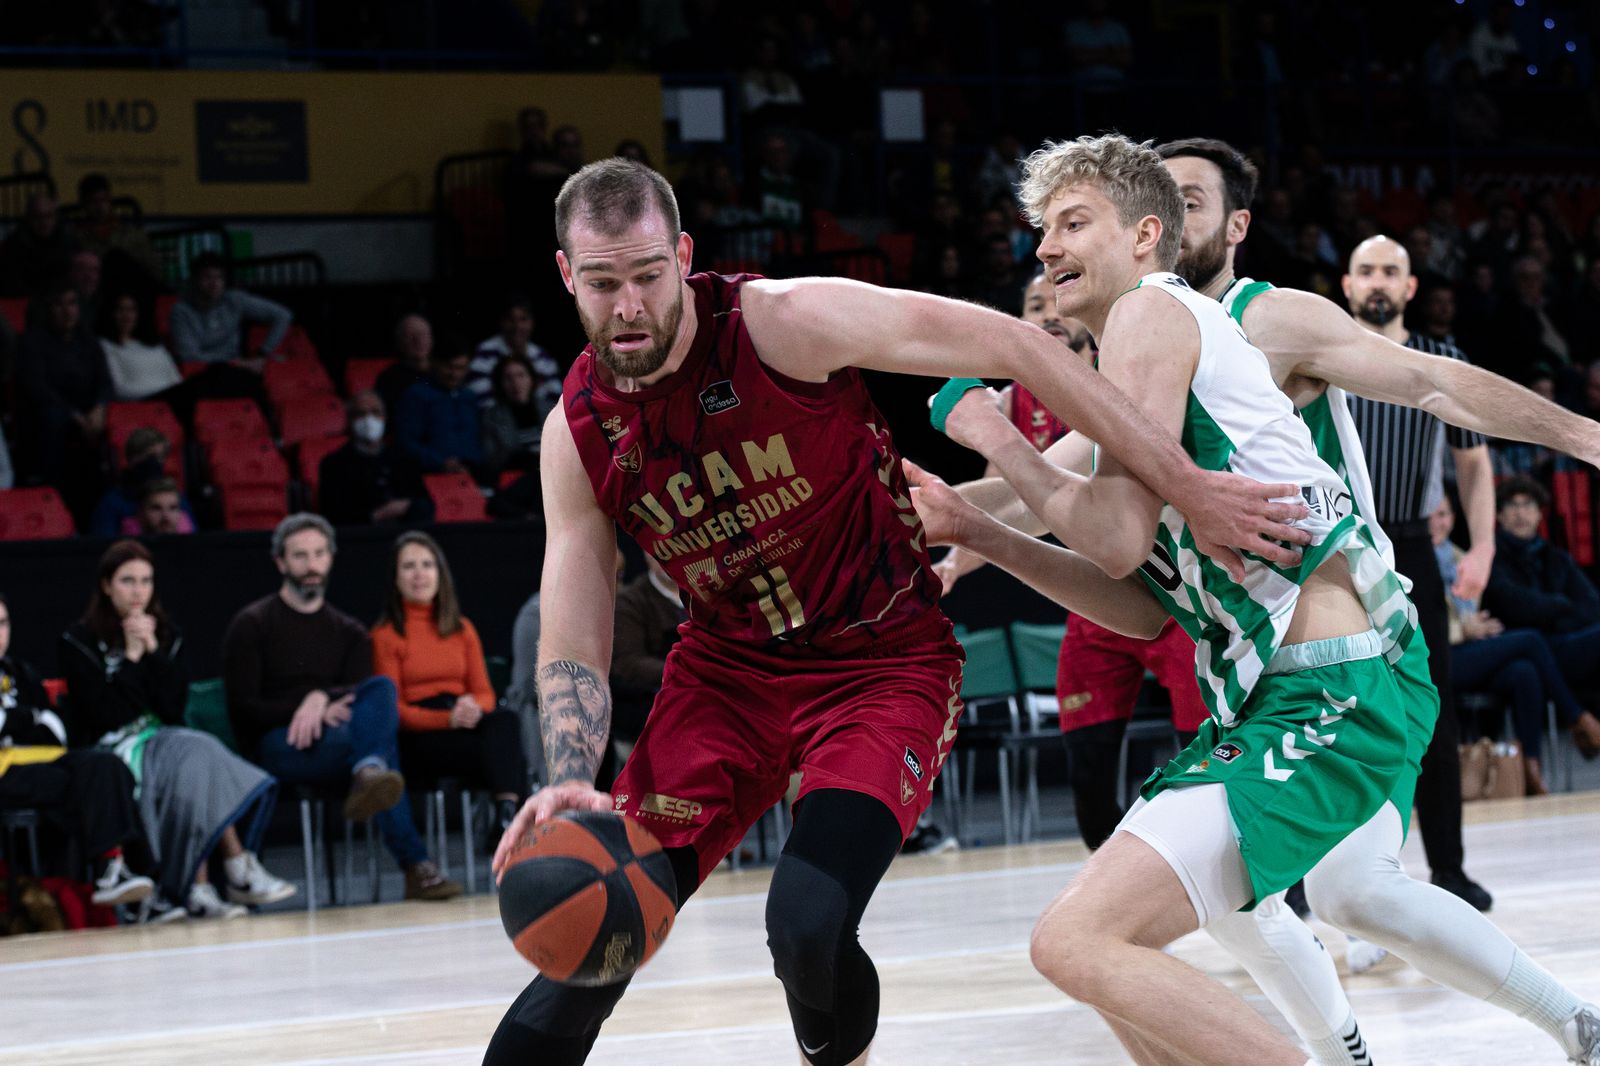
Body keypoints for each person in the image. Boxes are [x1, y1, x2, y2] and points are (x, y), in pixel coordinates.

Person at [483, 157, 1309, 1066]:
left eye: (648, 276)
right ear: (568, 275)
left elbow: (1018, 346)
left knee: (805, 925)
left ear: (682, 255)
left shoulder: (782, 322)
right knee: (587, 950)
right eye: (604, 284)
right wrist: (568, 773)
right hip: (725, 678)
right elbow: (576, 612)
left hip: (884, 664)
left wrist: (1183, 484)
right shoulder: (578, 429)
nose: (630, 306)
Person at [922, 133, 1600, 1066]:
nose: (1044, 248)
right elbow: (1129, 588)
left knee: (1285, 905)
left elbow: (1434, 384)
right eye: (1042, 229)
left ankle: (1532, 1029)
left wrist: (989, 435)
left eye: (1072, 224)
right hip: (1269, 683)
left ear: (1166, 228)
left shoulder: (1198, 316)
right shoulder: (1127, 365)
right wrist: (970, 530)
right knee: (1141, 940)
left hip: (1343, 669)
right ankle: (1366, 1046)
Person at [936, 272, 1207, 852]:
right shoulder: (1013, 401)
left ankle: (1256, 897)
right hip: (1101, 596)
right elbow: (1002, 502)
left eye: (1057, 301)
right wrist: (951, 554)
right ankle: (1119, 892)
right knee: (1085, 768)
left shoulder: (1129, 379)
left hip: (1185, 598)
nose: (1049, 313)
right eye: (1034, 305)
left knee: (1206, 768)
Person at [1339, 235, 1498, 911]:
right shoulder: (1320, 358)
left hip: (1410, 546)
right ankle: (1307, 879)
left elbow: (1473, 463)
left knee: (1431, 708)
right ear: (1347, 285)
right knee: (1332, 706)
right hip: (1335, 553)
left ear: (1409, 289)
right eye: (1367, 270)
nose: (1378, 281)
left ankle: (1450, 869)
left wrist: (1482, 546)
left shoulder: (1442, 360)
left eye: (1391, 273)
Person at [222, 514, 459, 901]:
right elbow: (244, 710)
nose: (311, 565)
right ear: (281, 562)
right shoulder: (252, 624)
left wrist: (322, 699)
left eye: (319, 554)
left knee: (380, 690)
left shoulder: (348, 631)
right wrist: (303, 707)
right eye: (300, 556)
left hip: (340, 741)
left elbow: (358, 698)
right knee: (381, 754)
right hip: (279, 747)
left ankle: (369, 773)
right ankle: (416, 864)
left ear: (331, 559)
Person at [60, 540, 294, 919]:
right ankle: (233, 869)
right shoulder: (78, 641)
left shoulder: (168, 636)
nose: (138, 592)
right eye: (127, 581)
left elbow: (172, 709)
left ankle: (205, 885)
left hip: (165, 739)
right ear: (106, 585)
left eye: (146, 581)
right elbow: (103, 714)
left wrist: (153, 653)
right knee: (196, 755)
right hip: (110, 749)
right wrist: (132, 659)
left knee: (194, 758)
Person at [0, 591, 158, 914]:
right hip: (6, 775)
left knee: (106, 765)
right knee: (85, 787)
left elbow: (55, 730)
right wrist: (27, 719)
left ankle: (123, 876)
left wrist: (17, 722)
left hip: (41, 762)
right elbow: (33, 721)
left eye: (2, 623)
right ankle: (115, 870)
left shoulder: (19, 672)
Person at [1436, 493, 1600, 794]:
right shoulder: (1413, 562)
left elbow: (1589, 605)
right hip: (1439, 655)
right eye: (1433, 515)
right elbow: (1515, 608)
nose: (1439, 521)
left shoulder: (1463, 558)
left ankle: (1530, 772)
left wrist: (1473, 627)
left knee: (1524, 671)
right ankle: (1579, 718)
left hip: (1481, 651)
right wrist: (1462, 630)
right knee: (1531, 640)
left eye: (1444, 514)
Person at [372, 532, 526, 842]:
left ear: (440, 574)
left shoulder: (462, 628)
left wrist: (472, 709)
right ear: (395, 577)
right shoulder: (385, 635)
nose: (419, 574)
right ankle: (511, 821)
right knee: (503, 752)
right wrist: (447, 720)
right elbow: (393, 711)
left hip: (462, 718)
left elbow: (484, 693)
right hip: (420, 734)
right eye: (409, 566)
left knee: (505, 719)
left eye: (427, 565)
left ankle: (505, 815)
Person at [1483, 477, 1600, 711]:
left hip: (1563, 644)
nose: (1520, 513)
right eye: (1512, 506)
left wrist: (1554, 616)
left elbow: (1592, 606)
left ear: (1539, 514)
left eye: (1528, 505)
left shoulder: (1557, 558)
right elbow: (1512, 605)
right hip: (1518, 649)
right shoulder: (1490, 559)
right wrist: (1561, 604)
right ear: (1499, 516)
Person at [16, 283, 110, 504]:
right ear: (47, 309)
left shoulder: (88, 340)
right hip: (52, 413)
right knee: (52, 418)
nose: (67, 311)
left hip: (89, 412)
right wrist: (74, 414)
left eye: (72, 303)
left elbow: (105, 381)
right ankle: (53, 496)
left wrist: (99, 407)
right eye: (59, 304)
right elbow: (38, 388)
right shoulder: (32, 341)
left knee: (121, 420)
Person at [317, 391, 434, 526]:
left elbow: (426, 505)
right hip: (361, 538)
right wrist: (379, 515)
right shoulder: (334, 464)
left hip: (404, 532)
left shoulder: (404, 459)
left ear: (384, 417)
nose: (369, 419)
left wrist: (407, 507)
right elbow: (333, 515)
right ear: (349, 420)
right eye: (361, 414)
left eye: (375, 412)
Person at [169, 252, 293, 372]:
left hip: (237, 368)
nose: (214, 283)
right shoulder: (181, 311)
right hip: (204, 370)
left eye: (219, 277)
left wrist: (264, 352)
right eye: (207, 277)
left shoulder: (234, 300)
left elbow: (283, 315)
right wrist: (238, 363)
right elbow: (189, 356)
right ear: (195, 280)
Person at [396, 339, 486, 480]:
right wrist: (440, 463)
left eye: (460, 368)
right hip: (431, 476)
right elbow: (407, 442)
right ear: (435, 363)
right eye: (449, 367)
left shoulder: (470, 396)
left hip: (472, 475)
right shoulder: (417, 395)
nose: (454, 374)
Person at [91, 428, 196, 538]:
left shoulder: (176, 499)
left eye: (159, 457)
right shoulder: (112, 503)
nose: (153, 461)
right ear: (130, 459)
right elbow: (103, 546)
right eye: (146, 456)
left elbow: (193, 540)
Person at [470, 296, 559, 412]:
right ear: (501, 322)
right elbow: (482, 402)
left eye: (523, 319)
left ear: (532, 322)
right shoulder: (485, 353)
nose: (517, 326)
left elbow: (555, 401)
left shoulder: (543, 358)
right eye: (511, 319)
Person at [98, 292, 181, 402]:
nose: (126, 315)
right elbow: (118, 389)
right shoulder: (105, 345)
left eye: (131, 310)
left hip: (167, 407)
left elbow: (176, 380)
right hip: (135, 410)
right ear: (112, 313)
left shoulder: (157, 346)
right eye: (120, 309)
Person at [480, 354, 550, 478]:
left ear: (531, 379)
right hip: (516, 479)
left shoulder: (551, 410)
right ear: (500, 384)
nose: (515, 383)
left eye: (521, 375)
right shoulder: (491, 417)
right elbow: (492, 462)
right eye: (508, 378)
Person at [374, 313, 434, 419]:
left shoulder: (444, 373)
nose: (418, 340)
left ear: (431, 339)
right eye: (411, 336)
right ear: (399, 341)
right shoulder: (389, 378)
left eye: (423, 334)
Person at [127, 477, 193, 536]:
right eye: (156, 508)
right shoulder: (126, 546)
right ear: (141, 512)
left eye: (173, 508)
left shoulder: (192, 544)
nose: (166, 516)